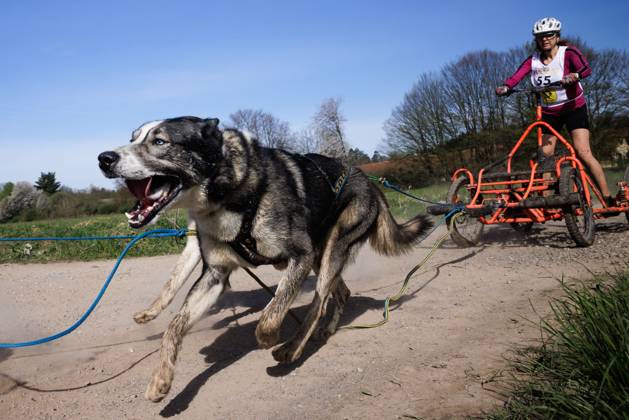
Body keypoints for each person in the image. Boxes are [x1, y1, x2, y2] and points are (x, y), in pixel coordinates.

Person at [496, 17, 613, 206]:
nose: (545, 39)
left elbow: (586, 68)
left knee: (583, 152)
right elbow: (516, 76)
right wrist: (506, 87)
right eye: (540, 36)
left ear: (557, 36)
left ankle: (607, 197)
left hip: (573, 108)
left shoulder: (568, 53)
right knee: (544, 155)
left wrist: (575, 75)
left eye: (549, 35)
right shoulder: (532, 61)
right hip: (550, 113)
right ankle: (548, 198)